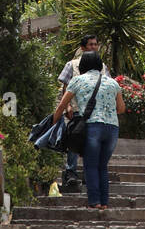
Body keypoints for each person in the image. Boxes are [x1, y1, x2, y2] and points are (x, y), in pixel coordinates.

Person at [53, 51, 125, 209]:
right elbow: (121, 108)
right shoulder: (113, 83)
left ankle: (95, 202)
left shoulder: (77, 80)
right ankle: (104, 202)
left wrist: (53, 122)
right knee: (102, 166)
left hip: (92, 127)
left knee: (90, 165)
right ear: (100, 66)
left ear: (83, 65)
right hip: (112, 128)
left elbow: (62, 105)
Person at [57, 35, 109, 189]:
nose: (93, 47)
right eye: (90, 44)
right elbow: (65, 87)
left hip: (96, 112)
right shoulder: (72, 65)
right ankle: (71, 172)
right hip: (77, 110)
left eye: (95, 44)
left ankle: (89, 174)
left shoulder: (103, 67)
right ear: (83, 47)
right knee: (74, 141)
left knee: (92, 144)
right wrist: (67, 107)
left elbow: (107, 87)